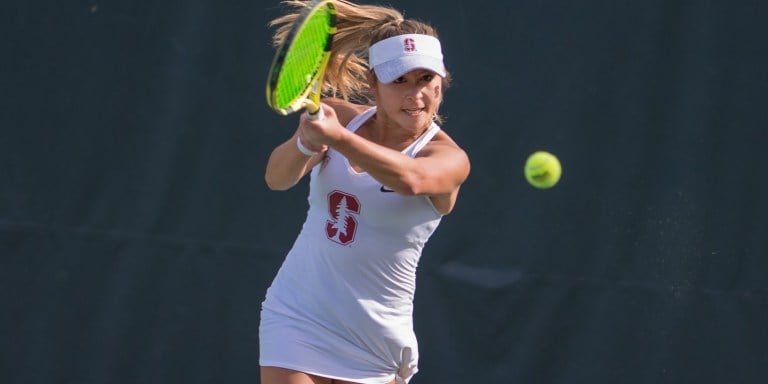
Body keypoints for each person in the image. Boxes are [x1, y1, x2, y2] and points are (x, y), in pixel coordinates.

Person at [260, 1, 470, 383]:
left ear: (442, 80)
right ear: (373, 84)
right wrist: (306, 143)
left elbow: (413, 180)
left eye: (425, 79)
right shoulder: (337, 117)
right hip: (298, 312)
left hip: (376, 340)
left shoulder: (449, 158)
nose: (415, 94)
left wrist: (337, 139)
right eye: (399, 81)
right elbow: (277, 178)